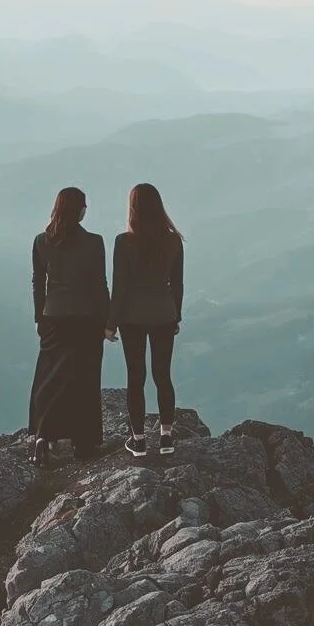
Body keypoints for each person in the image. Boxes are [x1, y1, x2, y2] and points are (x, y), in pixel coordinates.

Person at [29, 186, 108, 465]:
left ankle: (42, 436)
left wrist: (40, 318)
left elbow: (39, 284)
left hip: (52, 318)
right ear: (80, 211)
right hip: (86, 320)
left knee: (49, 377)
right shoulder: (94, 242)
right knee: (84, 379)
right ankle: (84, 443)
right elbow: (99, 286)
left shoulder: (41, 241)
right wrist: (108, 321)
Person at [105, 183, 184, 459]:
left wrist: (110, 324)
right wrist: (177, 315)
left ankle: (138, 440)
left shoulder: (123, 241)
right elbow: (177, 284)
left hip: (132, 317)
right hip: (164, 313)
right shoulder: (173, 240)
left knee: (135, 376)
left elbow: (120, 286)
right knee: (163, 375)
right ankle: (166, 436)